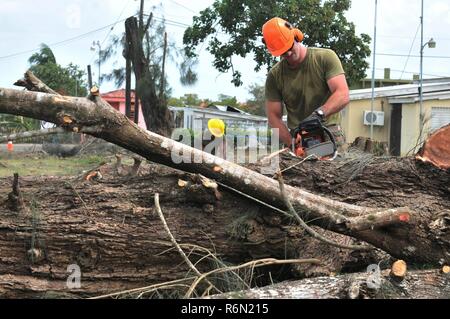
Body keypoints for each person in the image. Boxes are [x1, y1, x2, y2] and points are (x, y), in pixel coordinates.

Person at [262, 17, 349, 151]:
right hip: (298, 137)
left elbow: (342, 94)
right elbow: (273, 117)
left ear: (296, 36)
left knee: (336, 171)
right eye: (283, 53)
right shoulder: (275, 76)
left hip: (328, 131)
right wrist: (291, 143)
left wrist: (319, 114)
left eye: (290, 47)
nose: (289, 53)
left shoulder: (325, 58)